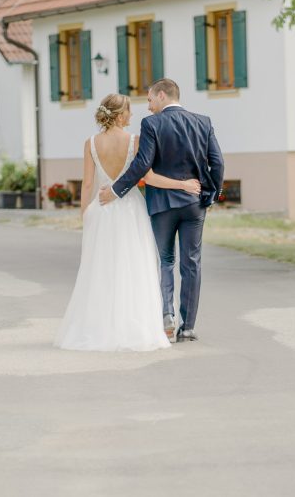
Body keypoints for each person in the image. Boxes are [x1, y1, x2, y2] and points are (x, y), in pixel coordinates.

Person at [54, 93, 201, 351]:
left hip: (101, 210)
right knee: (134, 268)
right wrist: (182, 184)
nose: (132, 116)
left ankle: (98, 329)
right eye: (129, 111)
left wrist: (84, 214)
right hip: (131, 211)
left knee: (100, 271)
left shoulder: (90, 143)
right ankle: (134, 328)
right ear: (121, 115)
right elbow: (150, 177)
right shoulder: (134, 141)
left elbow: (88, 183)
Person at [99, 78, 224, 343]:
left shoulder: (152, 124)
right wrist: (211, 194)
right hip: (194, 204)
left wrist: (115, 190)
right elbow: (217, 162)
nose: (148, 106)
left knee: (166, 260)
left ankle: (167, 314)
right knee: (192, 263)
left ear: (163, 95)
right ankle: (187, 327)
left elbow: (143, 163)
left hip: (162, 204)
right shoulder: (204, 121)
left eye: (149, 99)